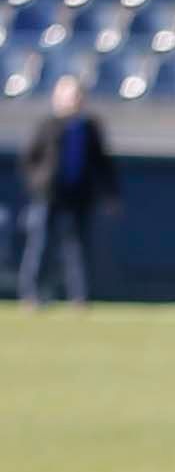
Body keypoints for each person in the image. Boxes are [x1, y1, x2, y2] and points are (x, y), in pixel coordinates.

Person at [19, 77, 112, 311]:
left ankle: (80, 298)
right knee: (40, 245)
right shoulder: (48, 125)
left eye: (78, 96)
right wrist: (39, 183)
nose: (74, 101)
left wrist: (110, 194)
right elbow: (30, 159)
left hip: (79, 194)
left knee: (78, 247)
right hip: (50, 195)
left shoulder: (89, 128)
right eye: (70, 96)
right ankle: (33, 294)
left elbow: (102, 163)